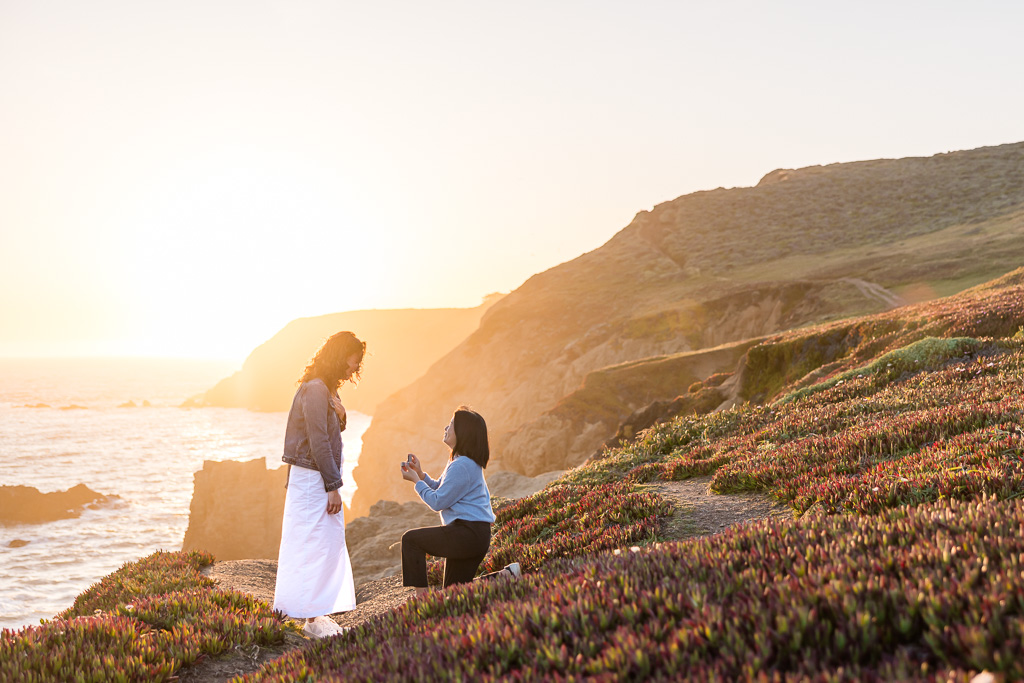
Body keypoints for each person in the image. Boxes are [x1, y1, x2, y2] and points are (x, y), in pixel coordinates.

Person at [273, 331, 365, 639]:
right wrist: (333, 486)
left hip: (317, 477)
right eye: (354, 362)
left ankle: (314, 614)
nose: (355, 369)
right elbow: (318, 441)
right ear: (340, 356)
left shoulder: (324, 389)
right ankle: (311, 620)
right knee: (313, 544)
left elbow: (329, 431)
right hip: (315, 479)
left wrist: (342, 415)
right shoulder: (315, 389)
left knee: (322, 544)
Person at [400, 406, 518, 591]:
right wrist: (421, 474)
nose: (446, 428)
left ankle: (421, 602)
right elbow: (442, 488)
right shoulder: (460, 461)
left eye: (451, 425)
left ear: (463, 433)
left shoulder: (462, 465)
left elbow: (438, 501)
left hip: (468, 533)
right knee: (454, 592)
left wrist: (416, 482)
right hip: (474, 534)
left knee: (411, 540)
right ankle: (506, 576)